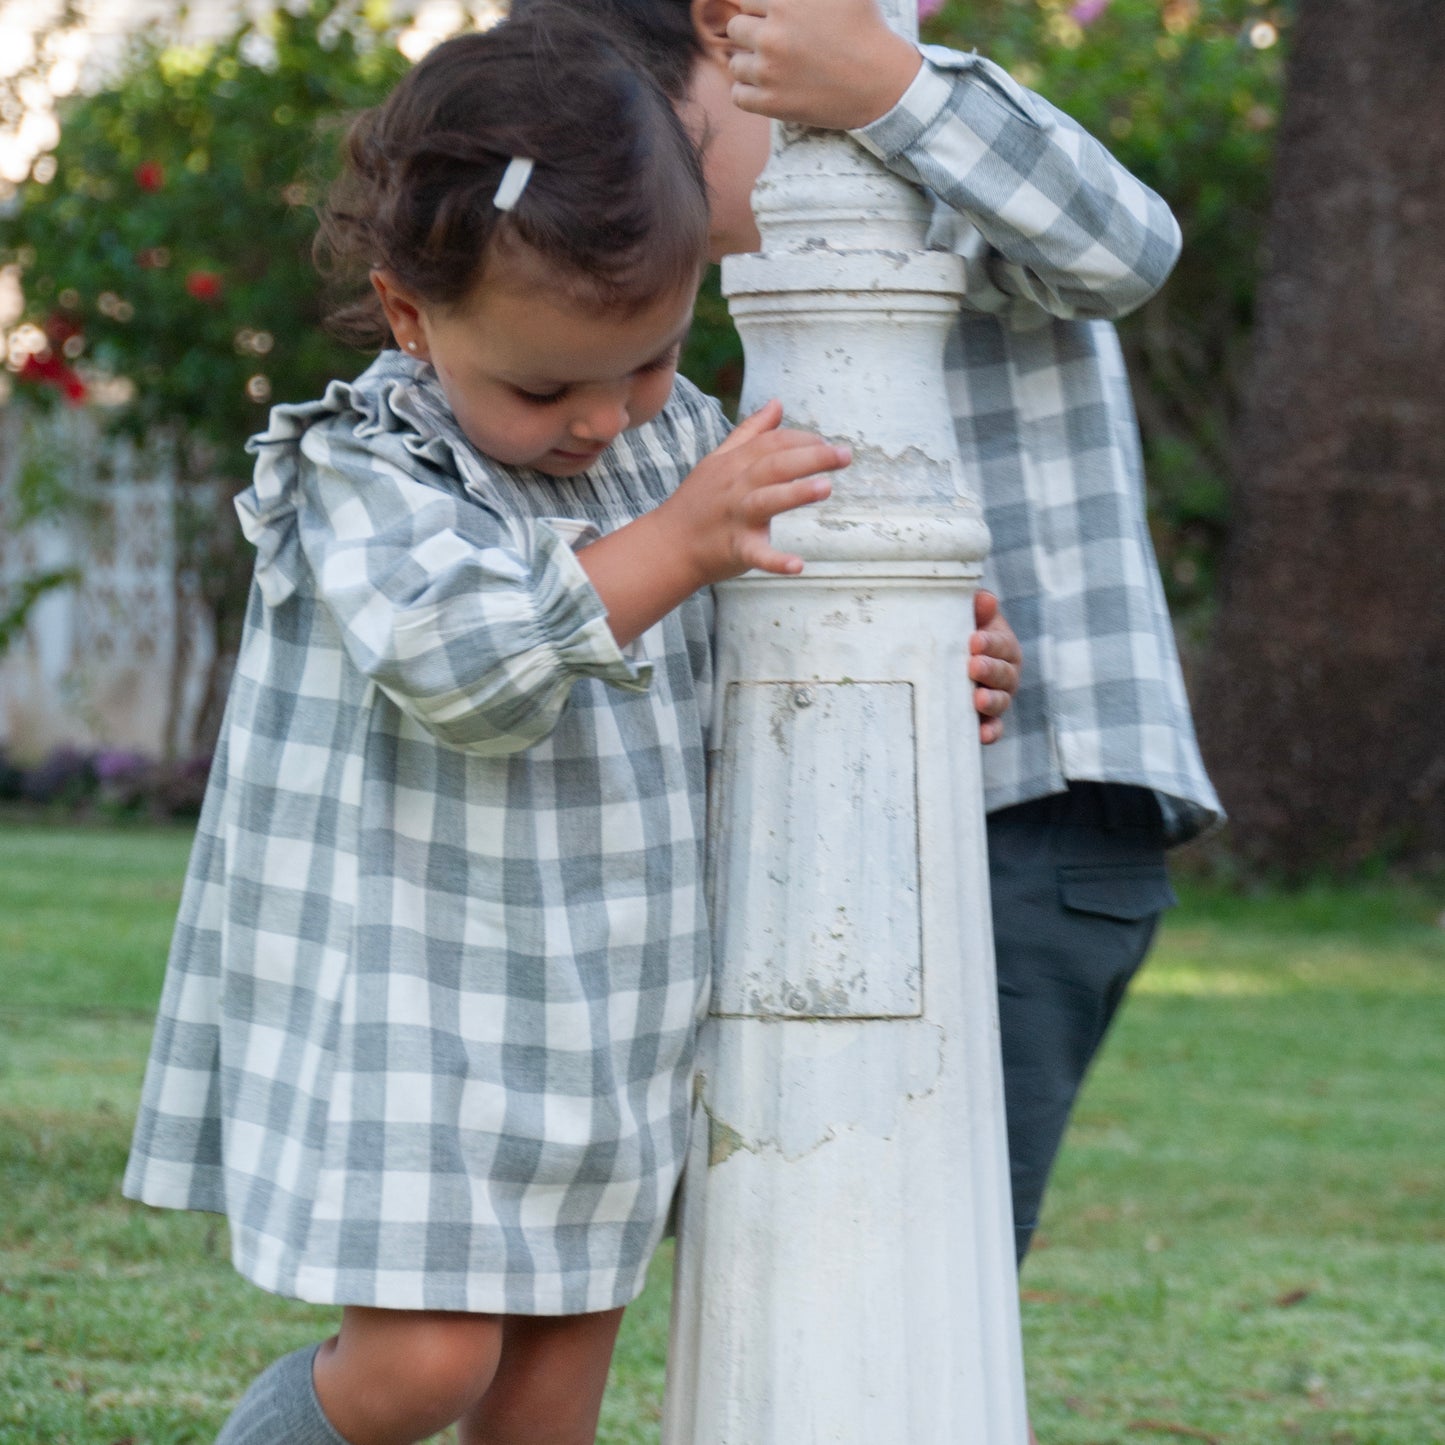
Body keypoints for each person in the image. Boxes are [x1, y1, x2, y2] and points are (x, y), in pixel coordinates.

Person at [122, 14, 1013, 1444]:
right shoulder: (367, 470)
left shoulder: (678, 457)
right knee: (424, 1370)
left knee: (545, 1408)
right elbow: (461, 662)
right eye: (544, 387)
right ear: (413, 316)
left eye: (649, 363)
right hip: (413, 1016)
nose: (603, 421)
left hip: (606, 1019)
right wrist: (676, 543)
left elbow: (755, 663)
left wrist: (927, 662)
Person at [526, 0, 1223, 1272]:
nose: (647, 197)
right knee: (792, 1245)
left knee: (915, 1269)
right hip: (834, 809)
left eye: (665, 146)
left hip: (1034, 811)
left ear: (737, 45)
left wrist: (889, 85)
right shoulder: (702, 290)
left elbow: (1126, 248)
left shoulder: (919, 178)